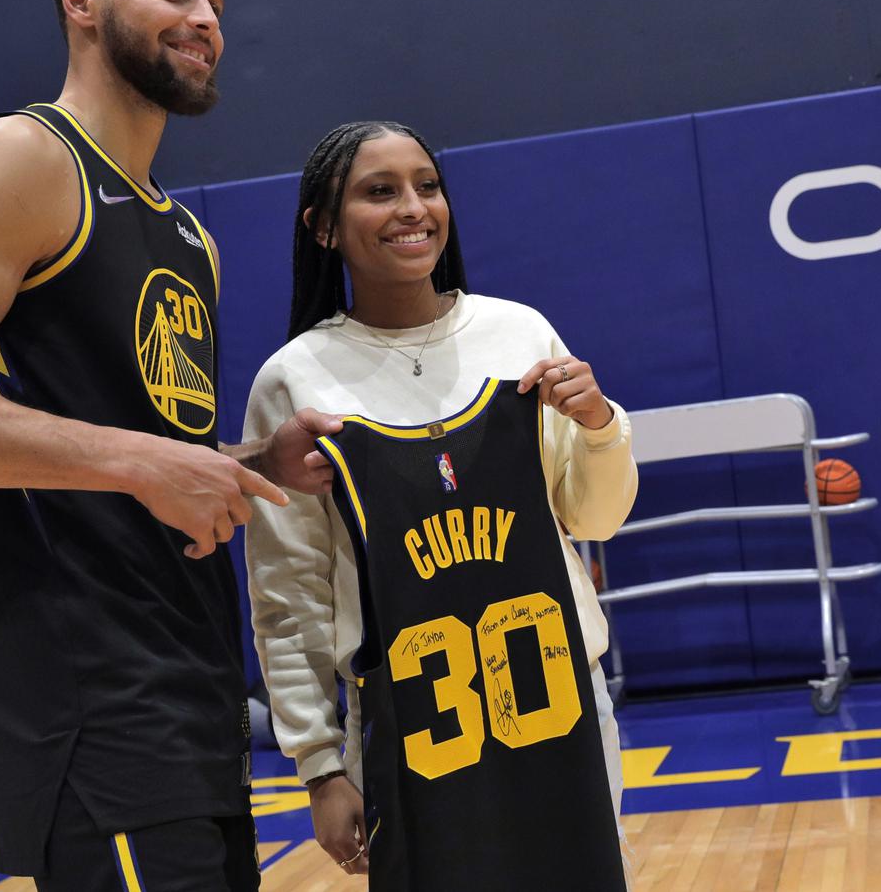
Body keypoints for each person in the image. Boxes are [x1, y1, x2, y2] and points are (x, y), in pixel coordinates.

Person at [0, 0, 338, 892]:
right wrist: (145, 462)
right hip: (89, 711)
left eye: (217, 4)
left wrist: (241, 466)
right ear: (81, 2)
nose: (205, 20)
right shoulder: (15, 161)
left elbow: (124, 452)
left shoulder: (189, 238)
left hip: (193, 697)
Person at [243, 121, 638, 885]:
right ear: (322, 226)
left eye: (426, 185)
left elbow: (598, 519)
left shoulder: (518, 331)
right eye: (378, 191)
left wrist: (599, 424)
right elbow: (285, 597)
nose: (412, 208)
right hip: (408, 725)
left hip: (561, 702)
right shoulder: (293, 379)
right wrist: (321, 767)